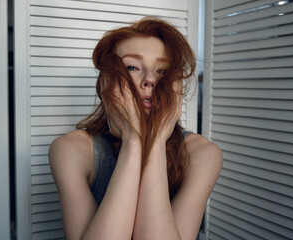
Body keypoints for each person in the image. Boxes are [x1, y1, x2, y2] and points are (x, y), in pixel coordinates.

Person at [48, 17, 222, 240]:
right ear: (104, 84)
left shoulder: (203, 154)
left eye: (162, 70)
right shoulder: (70, 150)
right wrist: (133, 140)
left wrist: (156, 141)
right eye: (132, 67)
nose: (150, 79)